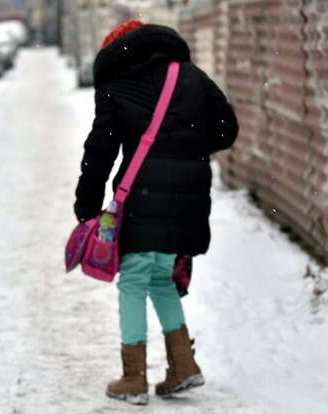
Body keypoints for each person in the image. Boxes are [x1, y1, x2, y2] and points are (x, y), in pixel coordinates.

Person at [73, 20, 239, 405]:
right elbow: (225, 130)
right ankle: (183, 366)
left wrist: (86, 204)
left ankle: (133, 377)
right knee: (161, 276)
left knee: (133, 278)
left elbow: (100, 150)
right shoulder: (191, 76)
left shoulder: (117, 86)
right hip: (190, 191)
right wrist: (185, 147)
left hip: (141, 193)